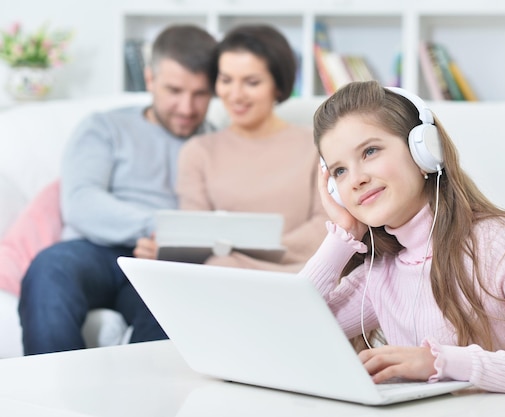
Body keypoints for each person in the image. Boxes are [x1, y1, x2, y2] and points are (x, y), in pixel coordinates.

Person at [301, 80, 505, 401]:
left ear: (424, 150)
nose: (356, 179)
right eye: (340, 171)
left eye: (370, 151)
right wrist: (343, 236)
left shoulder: (501, 241)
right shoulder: (380, 272)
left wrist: (441, 362)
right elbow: (291, 330)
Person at [18, 25, 217, 355]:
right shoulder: (105, 127)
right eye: (174, 90)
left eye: (200, 94)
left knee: (177, 303)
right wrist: (161, 226)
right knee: (49, 270)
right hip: (93, 249)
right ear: (150, 79)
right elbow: (80, 202)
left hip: (164, 262)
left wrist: (177, 245)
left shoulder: (219, 142)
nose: (186, 107)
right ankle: (51, 402)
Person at [135, 24, 327, 271]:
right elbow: (196, 236)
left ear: (277, 85)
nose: (235, 95)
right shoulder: (198, 152)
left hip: (304, 271)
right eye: (226, 80)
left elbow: (327, 226)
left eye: (251, 82)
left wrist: (248, 251)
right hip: (225, 274)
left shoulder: (317, 145)